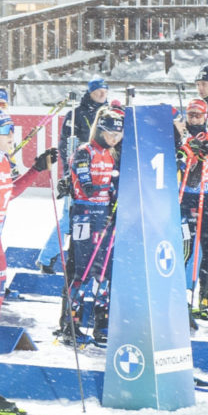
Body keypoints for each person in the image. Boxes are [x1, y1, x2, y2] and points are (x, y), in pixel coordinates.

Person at [0, 111, 56, 412]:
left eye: (12, 130)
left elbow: (10, 193)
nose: (11, 136)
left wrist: (35, 170)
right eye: (5, 130)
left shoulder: (4, 162)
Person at [57, 107, 123, 346]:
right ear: (100, 130)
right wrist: (102, 190)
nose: (114, 139)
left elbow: (111, 185)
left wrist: (116, 197)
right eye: (110, 134)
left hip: (104, 216)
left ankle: (101, 323)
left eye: (118, 134)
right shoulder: (85, 151)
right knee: (82, 271)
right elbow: (86, 185)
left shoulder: (111, 154)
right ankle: (71, 325)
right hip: (85, 215)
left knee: (104, 271)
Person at [37, 77, 111, 273]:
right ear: (90, 92)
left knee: (90, 222)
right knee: (69, 219)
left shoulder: (109, 114)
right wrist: (70, 174)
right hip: (80, 173)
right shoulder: (77, 114)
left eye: (104, 90)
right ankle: (47, 257)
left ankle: (84, 262)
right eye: (98, 91)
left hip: (101, 175)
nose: (102, 94)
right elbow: (65, 147)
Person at [178, 98, 208, 317]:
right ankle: (180, 295)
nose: (194, 119)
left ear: (206, 116)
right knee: (186, 249)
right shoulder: (180, 133)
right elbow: (178, 156)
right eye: (191, 115)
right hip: (185, 200)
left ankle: (204, 296)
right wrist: (189, 153)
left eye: (198, 115)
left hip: (207, 197)